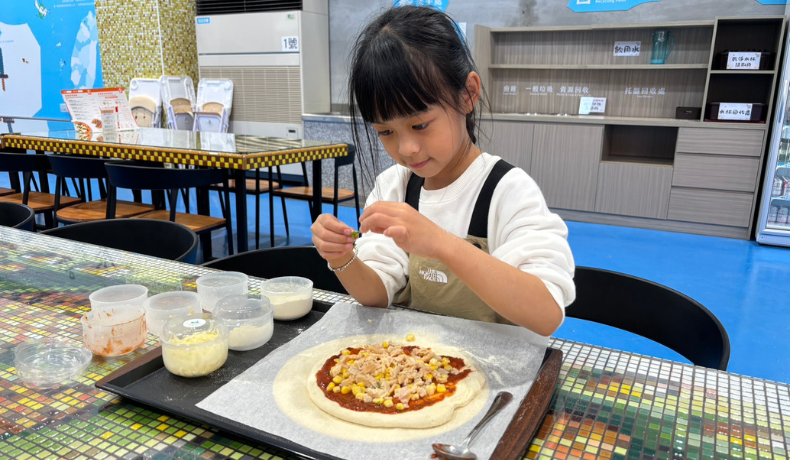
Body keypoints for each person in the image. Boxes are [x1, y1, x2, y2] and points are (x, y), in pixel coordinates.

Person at [311, 6, 575, 344]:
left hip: (498, 382)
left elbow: (546, 314)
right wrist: (342, 258)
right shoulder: (395, 187)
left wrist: (440, 243)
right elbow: (376, 295)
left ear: (468, 95)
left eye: (420, 124)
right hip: (417, 377)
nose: (406, 148)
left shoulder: (507, 191)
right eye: (385, 132)